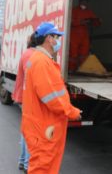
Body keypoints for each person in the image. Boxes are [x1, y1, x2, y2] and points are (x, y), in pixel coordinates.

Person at [22, 22, 82, 174]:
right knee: (42, 168)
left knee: (46, 167)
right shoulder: (42, 62)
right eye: (57, 37)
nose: (59, 41)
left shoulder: (40, 60)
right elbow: (53, 98)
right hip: (44, 128)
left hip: (43, 125)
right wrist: (72, 112)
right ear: (49, 38)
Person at [12, 33, 37, 173]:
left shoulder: (28, 53)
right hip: (27, 99)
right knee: (30, 134)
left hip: (24, 97)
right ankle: (27, 165)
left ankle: (23, 161)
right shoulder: (31, 55)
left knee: (26, 132)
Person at [69, 0, 101, 72]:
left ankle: (82, 69)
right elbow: (71, 22)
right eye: (83, 1)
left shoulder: (89, 12)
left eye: (86, 1)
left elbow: (95, 23)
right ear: (80, 1)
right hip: (74, 35)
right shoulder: (74, 10)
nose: (84, 3)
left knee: (84, 53)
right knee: (73, 53)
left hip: (85, 35)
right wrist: (81, 22)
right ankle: (71, 69)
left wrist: (98, 21)